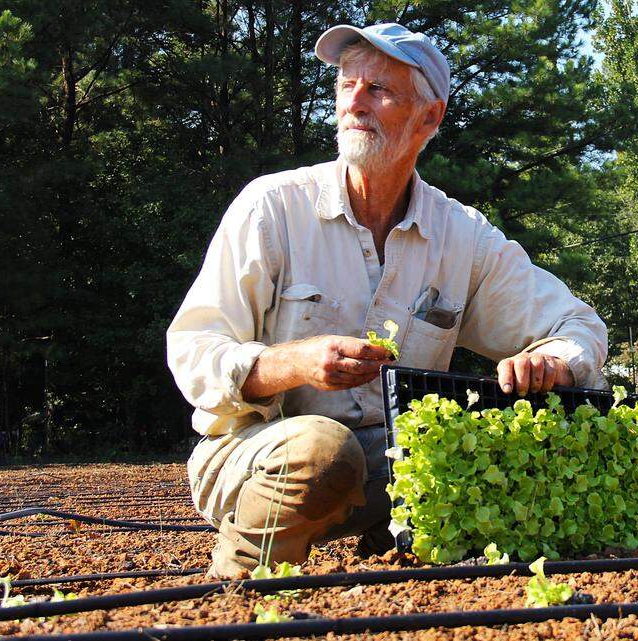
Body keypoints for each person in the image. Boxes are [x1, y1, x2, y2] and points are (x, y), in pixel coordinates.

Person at [166, 22, 608, 579]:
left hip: (392, 463)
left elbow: (577, 323)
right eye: (347, 85)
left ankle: (393, 544)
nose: (354, 102)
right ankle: (242, 587)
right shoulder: (273, 208)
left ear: (430, 117)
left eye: (379, 90)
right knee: (324, 452)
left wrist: (554, 363)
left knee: (489, 446)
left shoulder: (461, 237)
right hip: (254, 455)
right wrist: (294, 362)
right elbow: (193, 349)